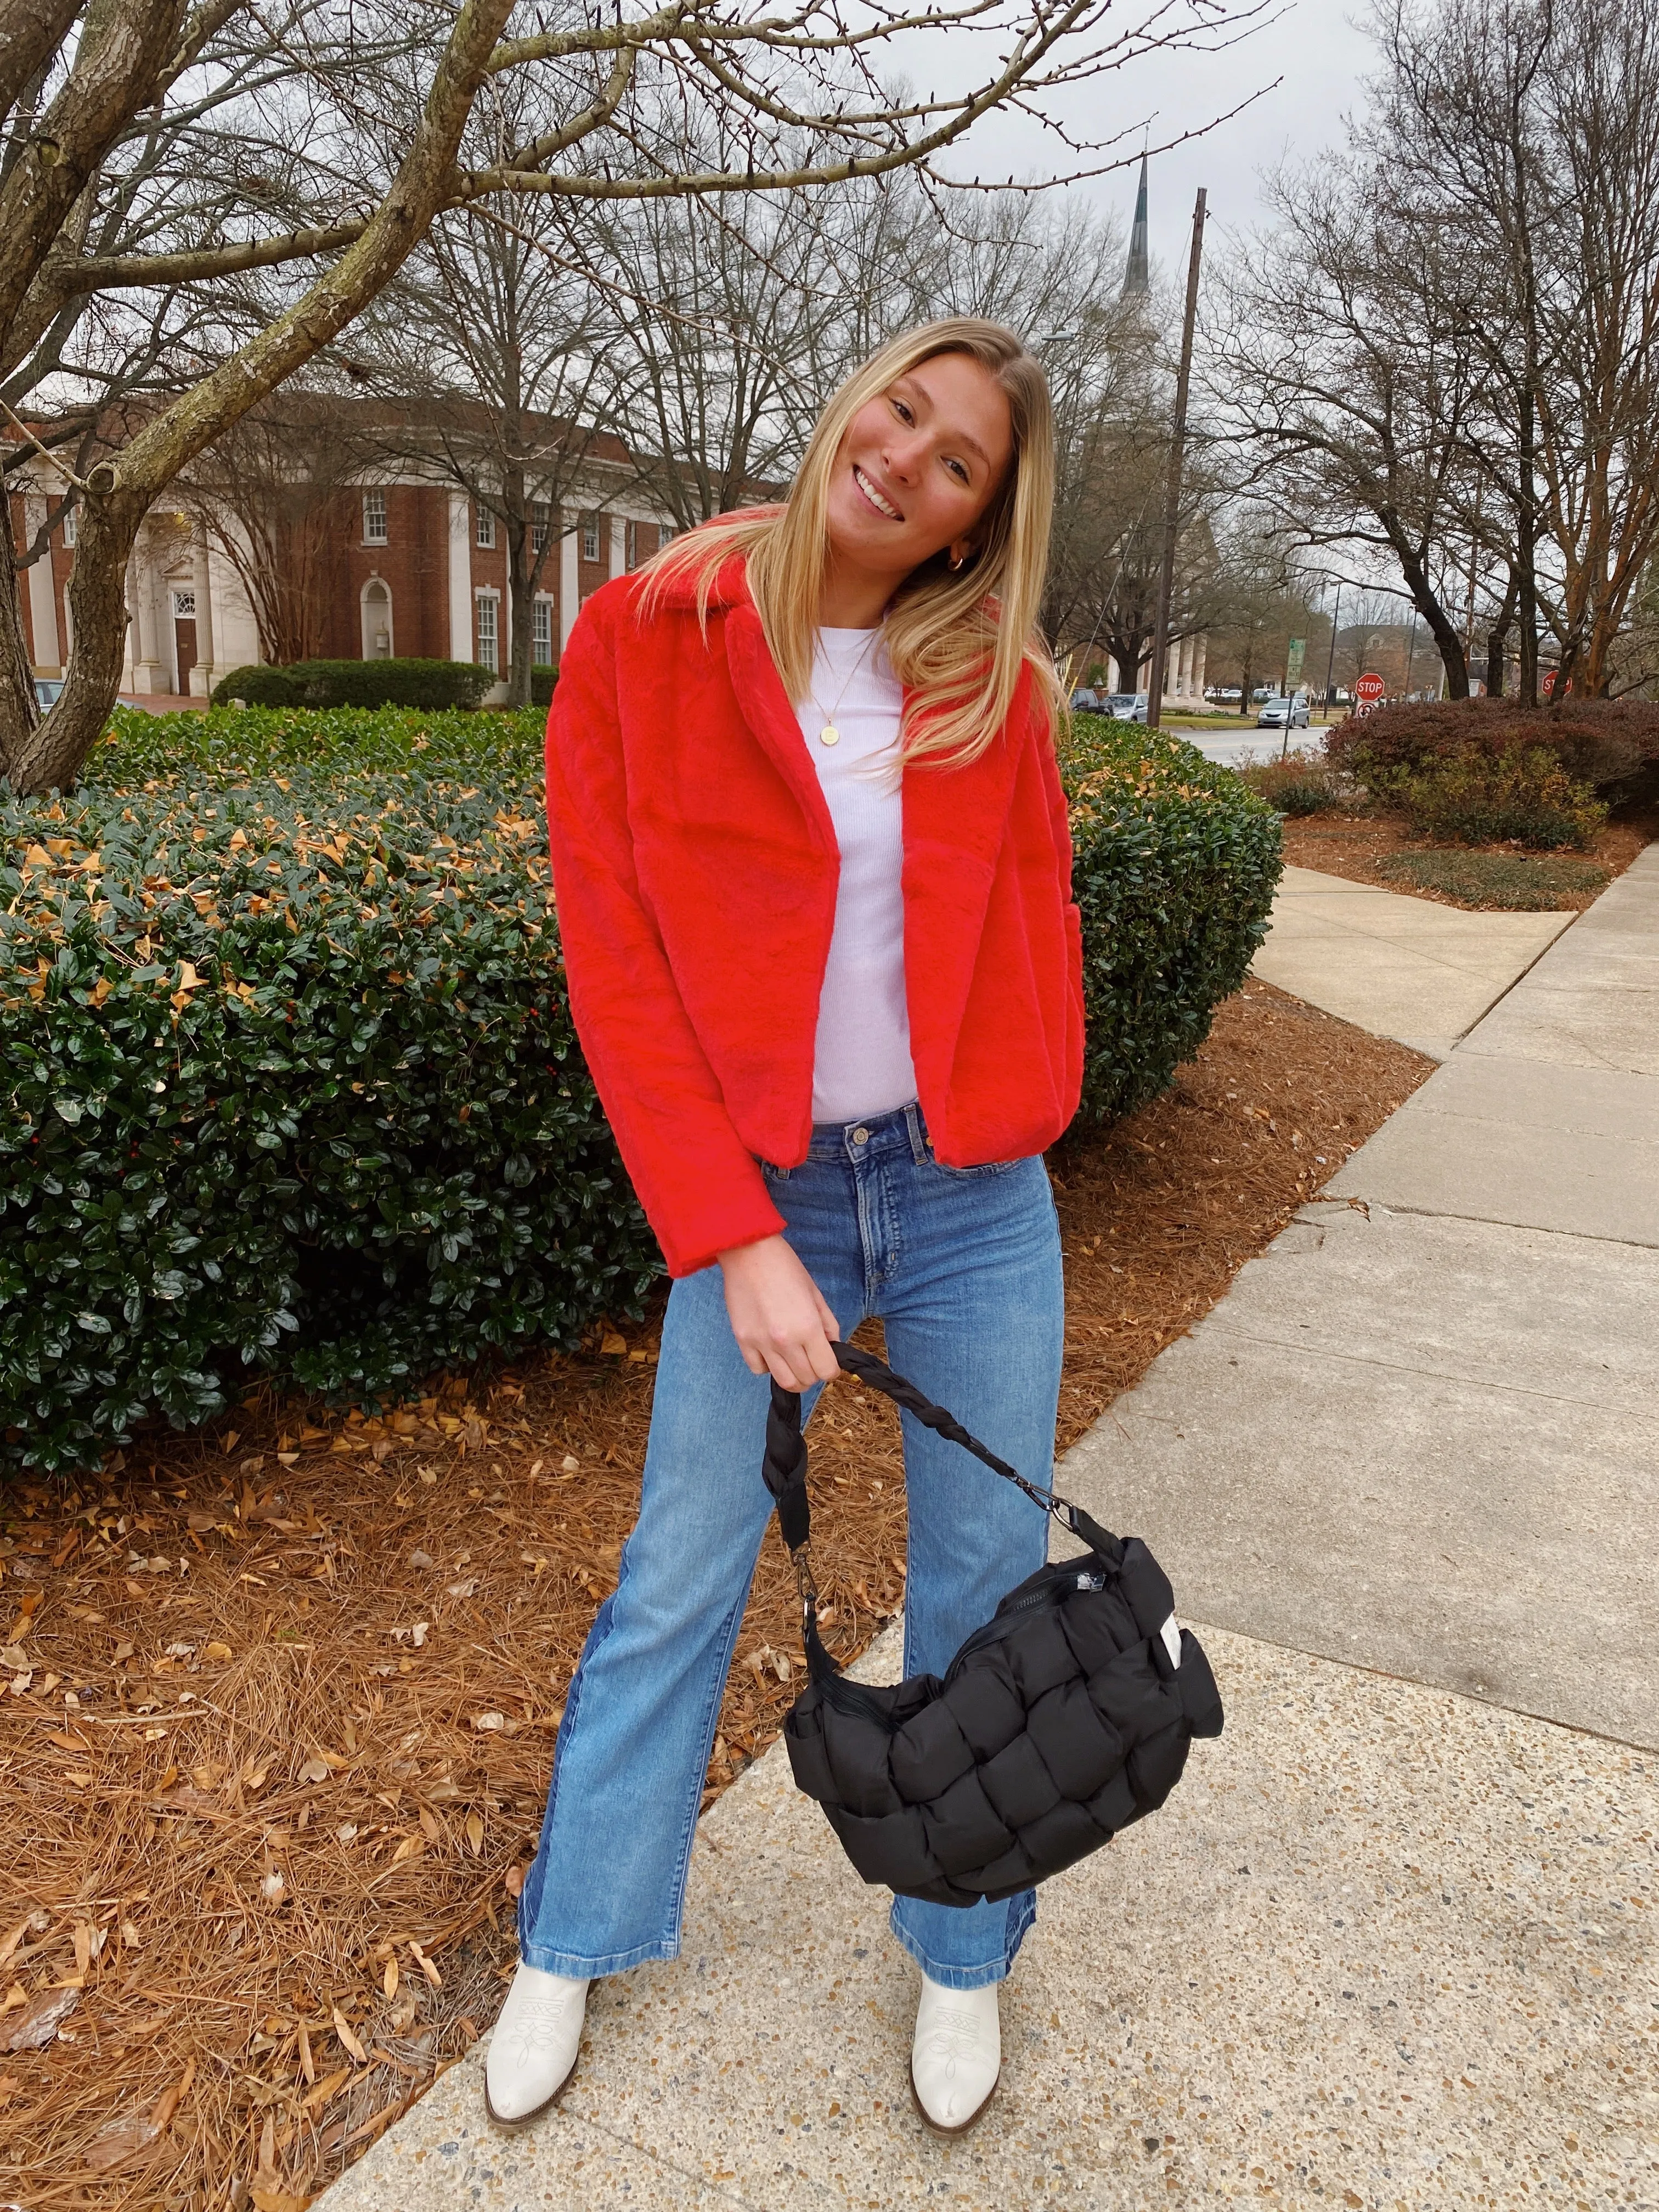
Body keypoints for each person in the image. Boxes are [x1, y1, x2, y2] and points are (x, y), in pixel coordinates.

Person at [487, 317, 1084, 2139]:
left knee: (979, 1594)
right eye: (903, 408)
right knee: (683, 1573)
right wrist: (735, 1233)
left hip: (975, 1194)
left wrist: (1018, 1105)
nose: (907, 455)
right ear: (856, 402)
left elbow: (1033, 916)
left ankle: (963, 1953)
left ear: (978, 525)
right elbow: (622, 962)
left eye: (958, 459)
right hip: (769, 1194)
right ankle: (572, 1937)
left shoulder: (996, 689)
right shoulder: (651, 632)